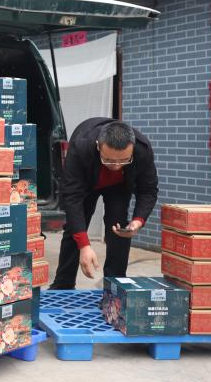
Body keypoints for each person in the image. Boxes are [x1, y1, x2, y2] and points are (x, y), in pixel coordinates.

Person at [49, 118, 159, 289]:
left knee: (119, 228)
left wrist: (138, 221)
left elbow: (148, 190)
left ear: (132, 148)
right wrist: (84, 245)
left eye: (124, 160)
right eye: (109, 160)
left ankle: (115, 287)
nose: (116, 166)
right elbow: (72, 197)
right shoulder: (81, 147)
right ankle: (63, 285)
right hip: (86, 183)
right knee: (75, 228)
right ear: (98, 147)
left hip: (119, 185)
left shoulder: (142, 149)